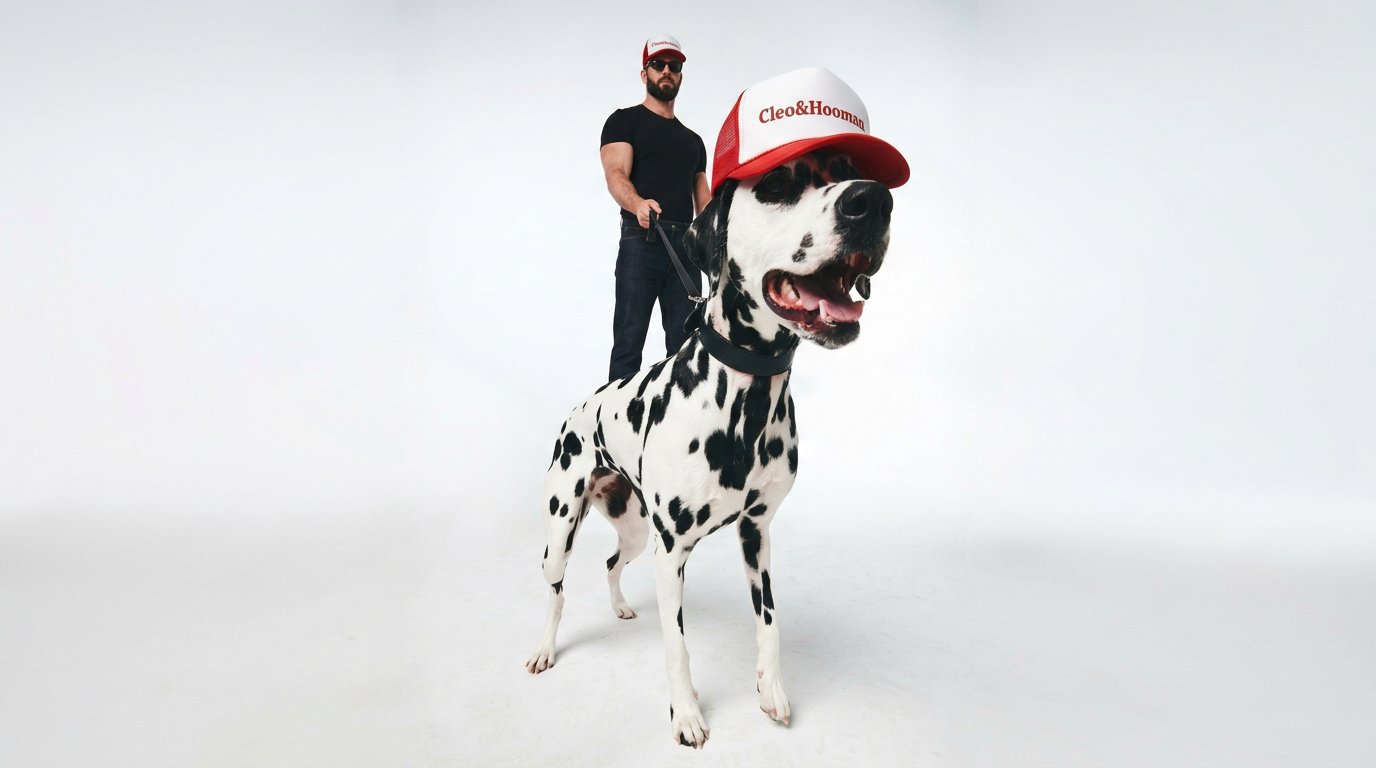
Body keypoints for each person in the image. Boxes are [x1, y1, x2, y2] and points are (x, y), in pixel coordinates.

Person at [599, 34, 712, 382]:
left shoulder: (693, 141)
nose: (666, 71)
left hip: (686, 251)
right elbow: (616, 174)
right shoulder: (624, 121)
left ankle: (679, 430)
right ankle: (617, 432)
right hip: (642, 239)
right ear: (644, 72)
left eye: (674, 66)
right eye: (658, 64)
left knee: (687, 349)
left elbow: (705, 205)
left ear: (680, 75)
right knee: (629, 342)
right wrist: (637, 204)